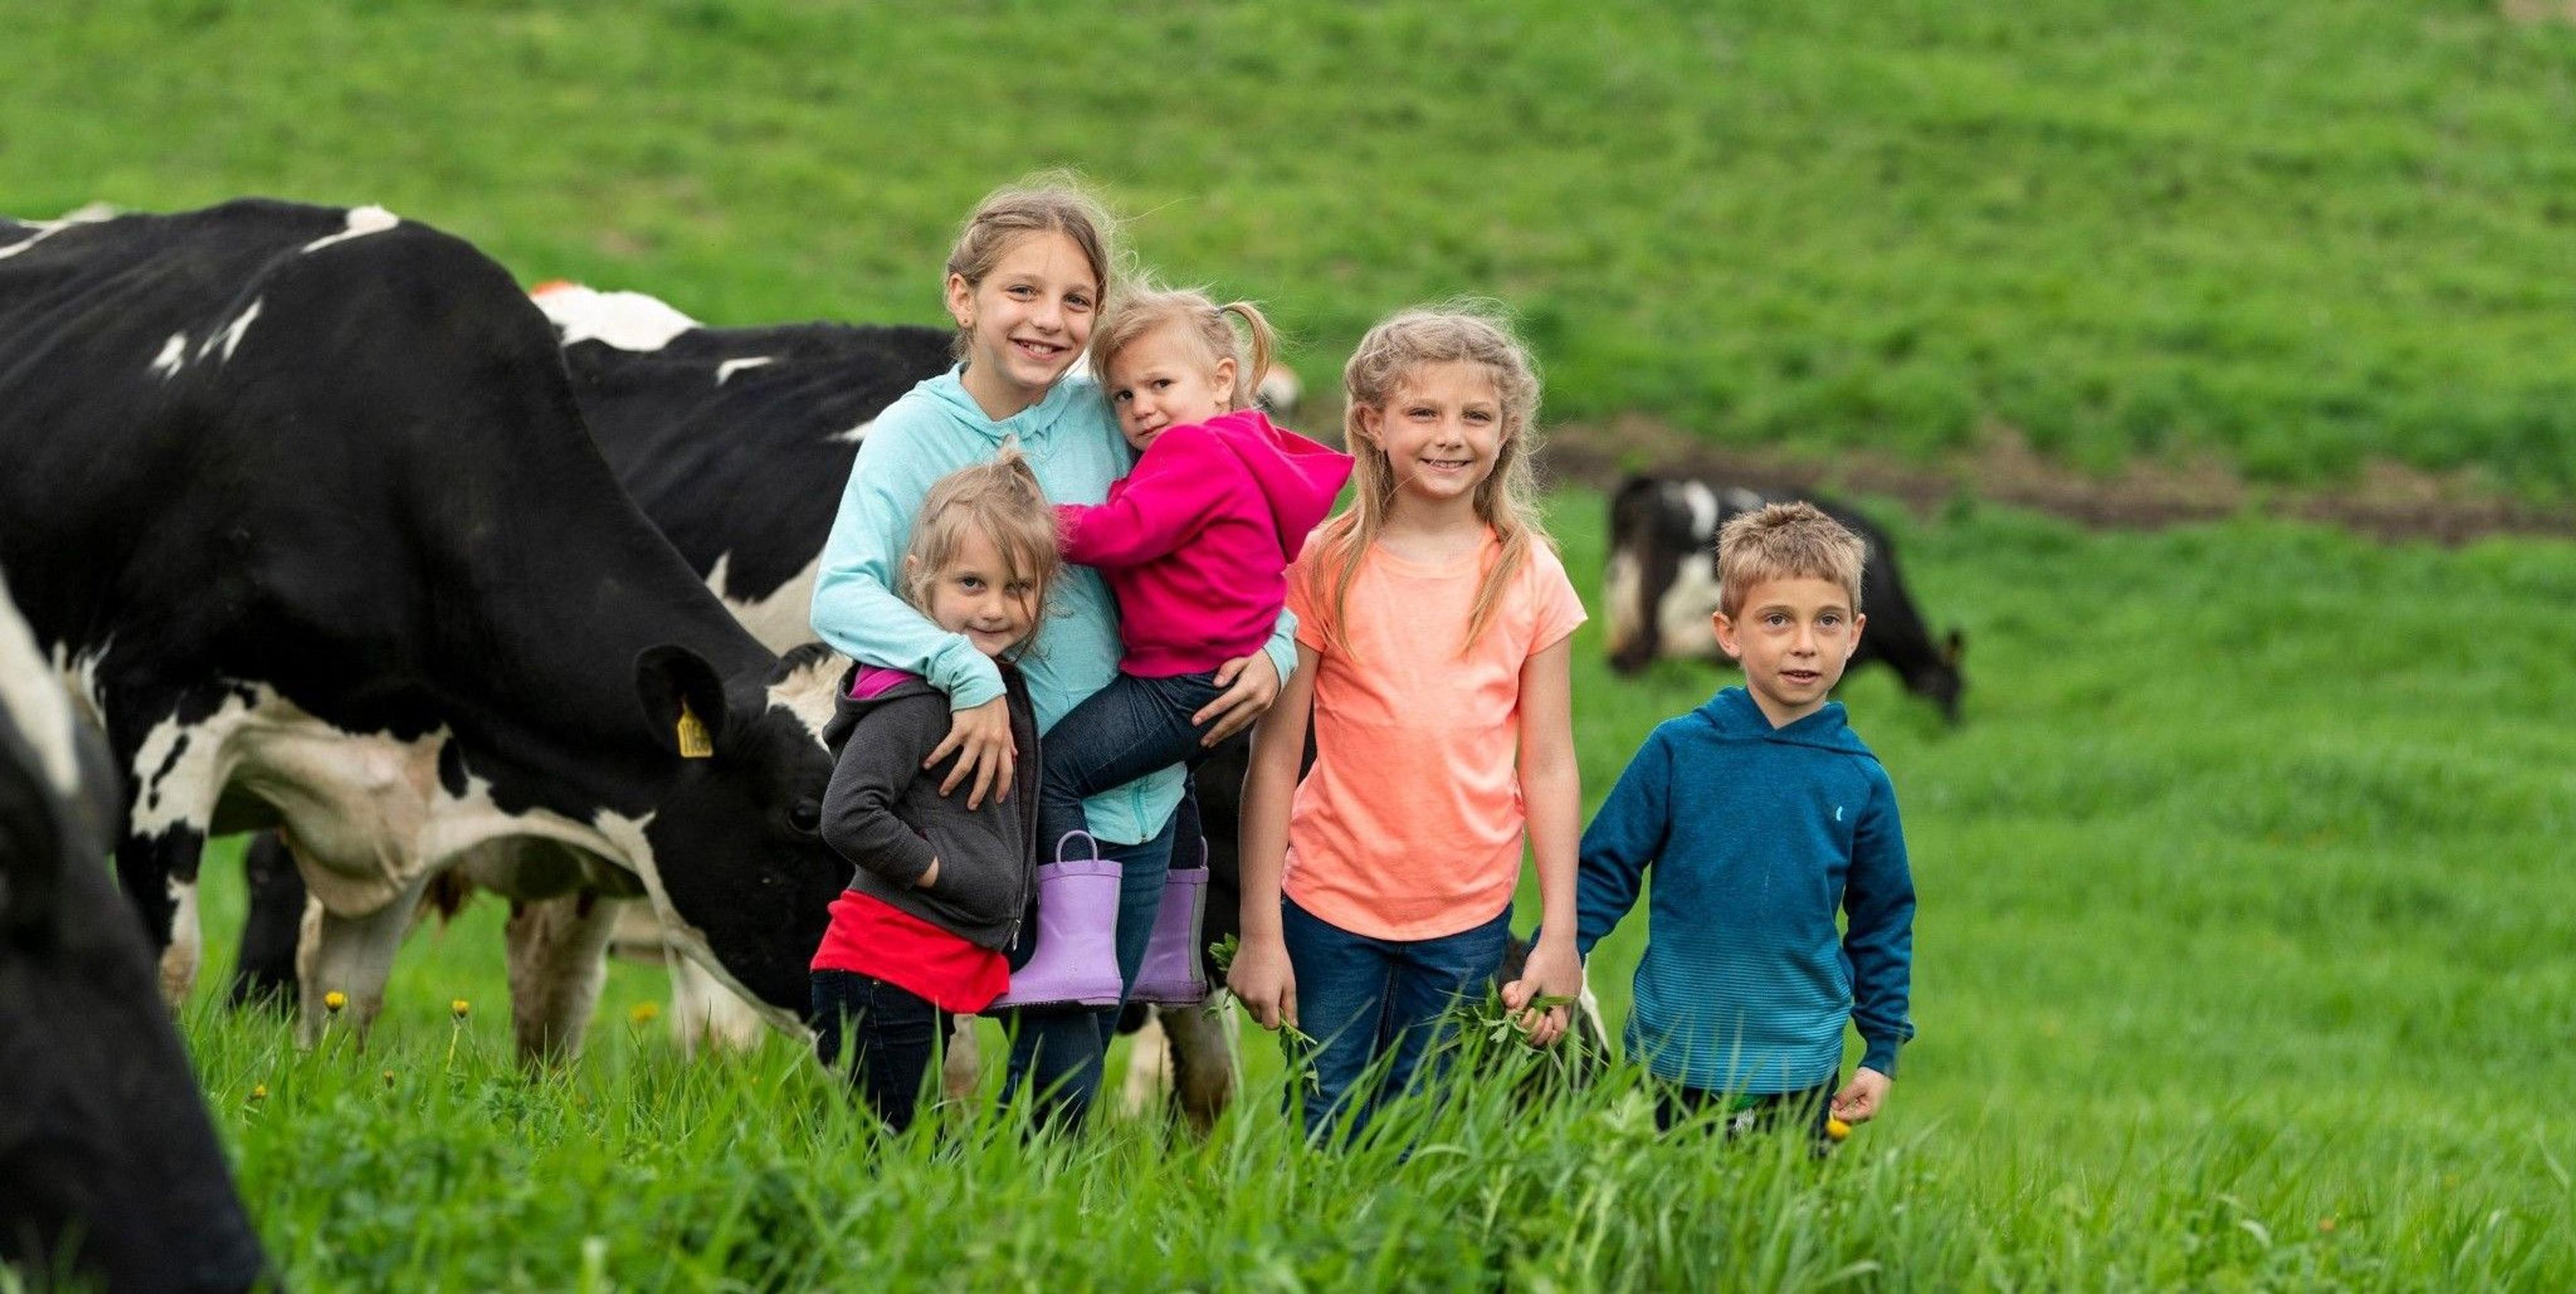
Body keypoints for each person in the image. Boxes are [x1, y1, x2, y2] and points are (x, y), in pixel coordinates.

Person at [808, 178, 1297, 1129]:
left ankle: (1041, 1226)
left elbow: (1234, 533)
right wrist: (964, 675)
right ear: (964, 298)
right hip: (970, 801)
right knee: (912, 1044)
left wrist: (1274, 646)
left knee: (1071, 1044)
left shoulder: (1111, 416)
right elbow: (843, 593)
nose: (1050, 320)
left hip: (1122, 798)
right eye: (1021, 292)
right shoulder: (915, 434)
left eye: (1077, 300)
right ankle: (906, 1215)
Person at [1228, 305, 1586, 1140]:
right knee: (1327, 1120)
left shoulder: (1528, 573)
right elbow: (1275, 759)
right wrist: (1258, 931)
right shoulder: (1324, 562)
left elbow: (1551, 765)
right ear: (1372, 422)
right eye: (1423, 412)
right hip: (1327, 907)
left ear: (1508, 431)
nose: (1449, 436)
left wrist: (1559, 933)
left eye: (1476, 416)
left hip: (1466, 915)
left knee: (1425, 1129)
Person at [1035, 284, 1353, 1000]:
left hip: (1176, 678)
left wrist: (1032, 520)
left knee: (1056, 772)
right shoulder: (1240, 447)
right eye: (1120, 396)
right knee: (1173, 790)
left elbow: (1125, 534)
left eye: (1159, 384)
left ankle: (1071, 949)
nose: (1140, 407)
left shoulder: (1191, 451)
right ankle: (1169, 954)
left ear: (1220, 381)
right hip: (1211, 673)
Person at [1570, 501, 1917, 1144]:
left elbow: (1883, 920)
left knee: (1775, 1228)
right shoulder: (1678, 753)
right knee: (1668, 1217)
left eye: (1828, 621)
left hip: (1800, 1066)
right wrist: (1562, 955)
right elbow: (1603, 867)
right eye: (1777, 619)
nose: (1805, 643)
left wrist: (1882, 1049)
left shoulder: (1860, 779)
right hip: (1673, 1059)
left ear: (1856, 634)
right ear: (1728, 632)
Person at [809, 449, 1057, 1132]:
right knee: (891, 1152)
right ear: (919, 581)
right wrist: (941, 871)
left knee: (913, 1150)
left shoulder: (993, 687)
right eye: (972, 584)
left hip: (919, 968)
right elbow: (848, 813)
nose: (996, 608)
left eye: (1019, 587)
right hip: (883, 965)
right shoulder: (915, 703)